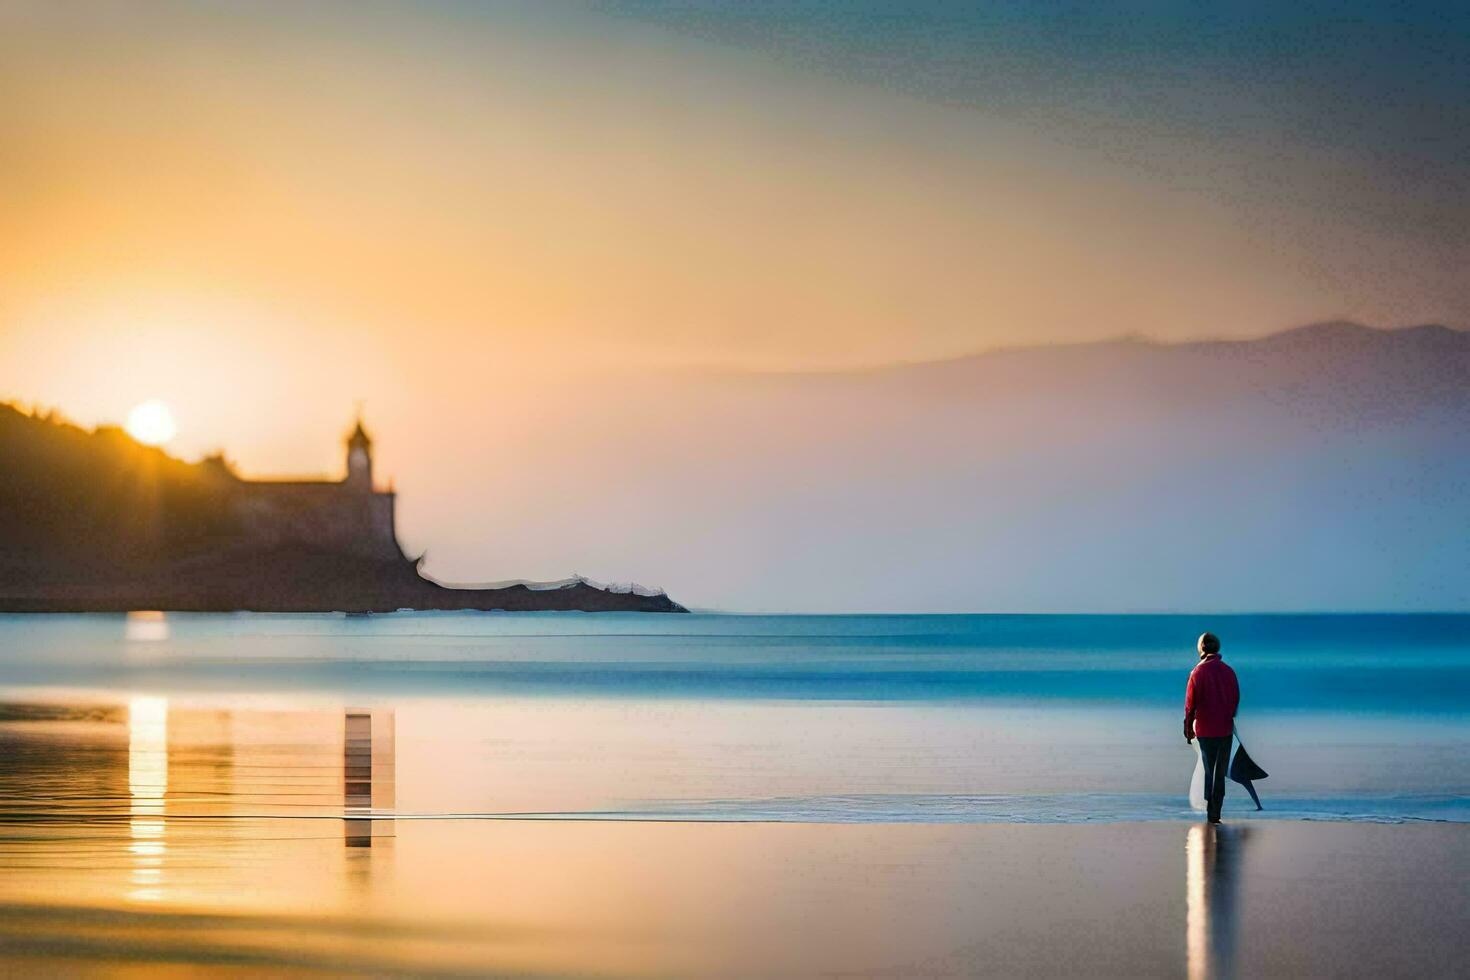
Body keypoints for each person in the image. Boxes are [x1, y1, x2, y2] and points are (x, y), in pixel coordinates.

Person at [1184, 632, 1240, 824]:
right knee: (1220, 772)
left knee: (1209, 770)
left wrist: (1188, 729)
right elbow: (1235, 699)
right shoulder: (1229, 671)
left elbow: (1190, 705)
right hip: (1225, 729)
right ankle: (1216, 811)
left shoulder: (1197, 673)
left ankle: (1210, 808)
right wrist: (1229, 715)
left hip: (1205, 730)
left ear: (1201, 649)